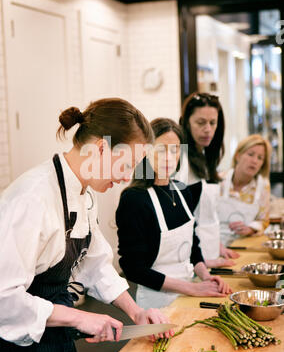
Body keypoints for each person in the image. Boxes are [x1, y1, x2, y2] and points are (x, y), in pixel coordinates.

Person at [0, 98, 173, 352]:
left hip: (54, 339)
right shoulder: (33, 198)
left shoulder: (82, 194)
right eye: (125, 165)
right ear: (100, 148)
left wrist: (137, 313)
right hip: (13, 350)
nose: (126, 177)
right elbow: (0, 299)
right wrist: (80, 317)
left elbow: (94, 264)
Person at [116, 117, 232, 310]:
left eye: (175, 149)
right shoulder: (134, 199)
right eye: (161, 149)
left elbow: (192, 244)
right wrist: (190, 288)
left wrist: (206, 276)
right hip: (156, 303)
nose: (169, 157)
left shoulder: (182, 191)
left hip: (190, 292)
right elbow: (133, 269)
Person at [176, 92, 239, 266]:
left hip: (208, 255)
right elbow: (179, 220)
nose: (208, 129)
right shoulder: (180, 159)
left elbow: (205, 215)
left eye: (213, 123)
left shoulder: (206, 156)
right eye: (201, 123)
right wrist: (202, 261)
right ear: (187, 123)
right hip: (190, 260)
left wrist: (217, 246)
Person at [217, 134, 272, 247]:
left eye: (260, 158)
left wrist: (251, 229)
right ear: (238, 156)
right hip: (216, 245)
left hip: (244, 246)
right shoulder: (218, 181)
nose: (255, 161)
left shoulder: (263, 186)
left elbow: (263, 221)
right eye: (250, 154)